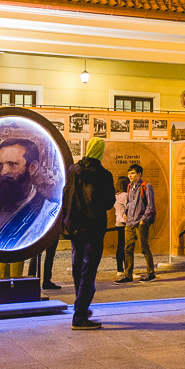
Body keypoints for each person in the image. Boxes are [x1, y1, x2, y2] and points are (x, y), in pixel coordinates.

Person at [62, 137, 116, 330]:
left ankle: (81, 308)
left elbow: (66, 195)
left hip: (75, 226)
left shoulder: (72, 171)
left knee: (78, 267)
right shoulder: (104, 175)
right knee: (88, 270)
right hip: (94, 227)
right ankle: (80, 316)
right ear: (100, 152)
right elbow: (108, 202)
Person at [118, 164, 157, 283]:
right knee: (128, 249)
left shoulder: (146, 186)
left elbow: (150, 205)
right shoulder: (129, 187)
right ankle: (128, 275)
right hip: (129, 222)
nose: (129, 175)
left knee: (144, 248)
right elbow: (129, 203)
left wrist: (143, 220)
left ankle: (151, 273)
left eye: (132, 173)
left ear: (139, 174)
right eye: (129, 173)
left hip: (140, 222)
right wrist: (124, 213)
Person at [114, 176, 129, 277]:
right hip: (125, 222)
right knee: (127, 247)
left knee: (120, 246)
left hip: (118, 222)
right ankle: (127, 268)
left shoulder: (116, 195)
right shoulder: (126, 195)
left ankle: (119, 268)